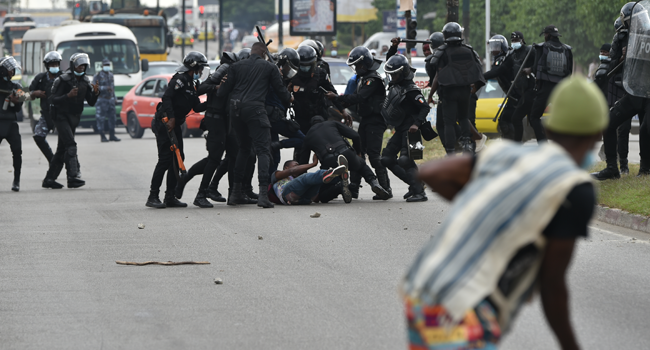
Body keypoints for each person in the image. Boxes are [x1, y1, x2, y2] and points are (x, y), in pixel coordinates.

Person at [402, 75, 606, 350]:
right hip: (464, 310)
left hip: (422, 291)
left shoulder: (506, 155)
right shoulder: (574, 189)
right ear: (596, 134)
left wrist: (483, 203)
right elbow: (552, 285)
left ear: (551, 128)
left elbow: (430, 172)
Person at [217, 42, 292, 208]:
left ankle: (235, 193)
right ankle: (263, 195)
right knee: (263, 150)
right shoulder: (269, 67)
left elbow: (221, 92)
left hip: (235, 110)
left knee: (244, 149)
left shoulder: (236, 66)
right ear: (264, 53)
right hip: (256, 110)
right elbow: (282, 94)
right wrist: (289, 96)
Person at [593, 2, 650, 180]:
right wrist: (621, 58)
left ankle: (645, 170)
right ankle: (612, 168)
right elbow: (612, 65)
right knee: (608, 123)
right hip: (633, 91)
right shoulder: (620, 37)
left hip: (649, 93)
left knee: (646, 129)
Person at [145, 52, 208, 208]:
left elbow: (197, 106)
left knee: (178, 157)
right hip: (165, 122)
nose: (201, 72)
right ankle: (153, 196)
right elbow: (166, 98)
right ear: (194, 67)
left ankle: (170, 196)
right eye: (200, 68)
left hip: (175, 124)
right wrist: (172, 118)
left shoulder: (192, 85)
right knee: (165, 159)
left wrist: (212, 97)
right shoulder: (180, 79)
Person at [327, 46, 388, 199]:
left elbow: (359, 98)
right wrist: (338, 105)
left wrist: (337, 98)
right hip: (366, 120)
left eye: (358, 65)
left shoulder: (373, 80)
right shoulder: (364, 79)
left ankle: (385, 187)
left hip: (375, 121)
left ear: (365, 63)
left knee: (374, 155)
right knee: (357, 153)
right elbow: (352, 98)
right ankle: (354, 187)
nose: (356, 68)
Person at [180, 51, 238, 208]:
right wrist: (218, 86)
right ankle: (200, 193)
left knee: (232, 156)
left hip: (225, 123)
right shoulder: (221, 74)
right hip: (216, 122)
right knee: (213, 159)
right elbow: (202, 88)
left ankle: (233, 193)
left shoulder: (233, 75)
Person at [299, 116, 390, 203]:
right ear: (324, 121)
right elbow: (355, 136)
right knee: (361, 165)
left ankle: (339, 186)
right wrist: (358, 153)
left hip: (329, 161)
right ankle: (373, 182)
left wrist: (304, 185)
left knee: (323, 196)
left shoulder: (307, 137)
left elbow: (303, 163)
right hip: (346, 152)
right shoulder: (332, 123)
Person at [43, 53, 99, 189]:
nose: (81, 67)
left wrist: (96, 93)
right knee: (71, 145)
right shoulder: (61, 79)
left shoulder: (85, 81)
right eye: (79, 65)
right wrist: (67, 96)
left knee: (62, 149)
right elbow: (52, 99)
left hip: (73, 118)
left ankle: (49, 179)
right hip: (60, 117)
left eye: (83, 65)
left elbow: (91, 102)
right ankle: (72, 177)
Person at [429, 22, 485, 154]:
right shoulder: (469, 50)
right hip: (465, 91)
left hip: (448, 92)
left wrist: (431, 94)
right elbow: (478, 71)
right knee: (464, 118)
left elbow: (437, 75)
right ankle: (467, 144)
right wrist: (474, 89)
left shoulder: (442, 52)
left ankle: (450, 151)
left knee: (448, 122)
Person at [381, 54, 430, 202]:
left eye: (395, 74)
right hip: (401, 129)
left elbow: (425, 107)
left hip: (412, 130)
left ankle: (420, 193)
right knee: (387, 158)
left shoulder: (411, 90)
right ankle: (414, 185)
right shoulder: (396, 86)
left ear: (403, 73)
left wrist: (416, 124)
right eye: (391, 74)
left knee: (405, 160)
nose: (393, 77)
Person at [524, 25, 573, 142]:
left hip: (545, 88)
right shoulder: (567, 49)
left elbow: (536, 68)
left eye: (545, 35)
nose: (544, 37)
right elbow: (570, 71)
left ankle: (543, 143)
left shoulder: (541, 47)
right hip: (561, 89)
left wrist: (529, 70)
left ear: (548, 35)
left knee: (534, 116)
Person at [291, 45, 347, 136]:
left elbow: (332, 93)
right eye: (303, 65)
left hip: (318, 116)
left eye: (308, 65)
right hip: (300, 117)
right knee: (301, 145)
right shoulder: (292, 75)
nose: (306, 68)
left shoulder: (320, 74)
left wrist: (343, 111)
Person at [268, 48, 305, 175]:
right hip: (274, 116)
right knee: (302, 139)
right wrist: (289, 96)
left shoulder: (278, 75)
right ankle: (278, 144)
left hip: (272, 116)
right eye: (289, 68)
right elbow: (285, 97)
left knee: (274, 157)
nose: (289, 71)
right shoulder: (274, 73)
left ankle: (269, 187)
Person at [269, 155, 347, 205]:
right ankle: (330, 173)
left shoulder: (297, 182)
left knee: (315, 181)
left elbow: (316, 199)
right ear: (286, 167)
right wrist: (314, 164)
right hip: (287, 195)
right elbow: (292, 171)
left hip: (303, 200)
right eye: (296, 165)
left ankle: (339, 177)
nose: (299, 168)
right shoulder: (277, 175)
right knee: (306, 177)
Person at [30, 51, 62, 164]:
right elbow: (23, 95)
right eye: (52, 64)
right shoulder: (40, 78)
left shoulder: (64, 78)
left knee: (68, 143)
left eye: (56, 64)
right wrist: (34, 93)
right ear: (47, 65)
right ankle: (52, 160)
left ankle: (74, 170)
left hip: (61, 116)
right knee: (38, 136)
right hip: (46, 115)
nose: (54, 66)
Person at [483, 34, 516, 140]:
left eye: (496, 47)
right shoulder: (500, 59)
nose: (494, 50)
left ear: (503, 47)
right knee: (507, 120)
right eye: (492, 47)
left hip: (517, 94)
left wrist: (479, 77)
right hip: (513, 95)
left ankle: (510, 143)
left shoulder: (505, 59)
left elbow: (496, 72)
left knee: (504, 120)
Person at [0, 57, 24, 192]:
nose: (12, 72)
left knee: (17, 152)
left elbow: (19, 108)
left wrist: (16, 101)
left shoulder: (17, 86)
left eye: (13, 70)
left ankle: (16, 181)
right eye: (9, 70)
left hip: (11, 124)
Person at [507, 31, 536, 142]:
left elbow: (539, 64)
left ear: (522, 40)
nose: (514, 43)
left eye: (517, 40)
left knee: (516, 118)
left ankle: (517, 144)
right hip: (521, 91)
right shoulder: (513, 54)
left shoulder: (529, 51)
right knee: (533, 121)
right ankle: (544, 141)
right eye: (513, 41)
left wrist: (531, 69)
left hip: (531, 90)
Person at [93, 58, 120, 143]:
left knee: (112, 118)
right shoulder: (97, 76)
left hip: (110, 100)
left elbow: (113, 88)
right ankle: (102, 135)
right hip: (102, 100)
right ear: (102, 66)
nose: (107, 67)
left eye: (108, 65)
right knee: (100, 119)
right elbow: (95, 88)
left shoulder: (111, 75)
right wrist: (105, 88)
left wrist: (114, 98)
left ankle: (112, 135)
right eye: (105, 65)